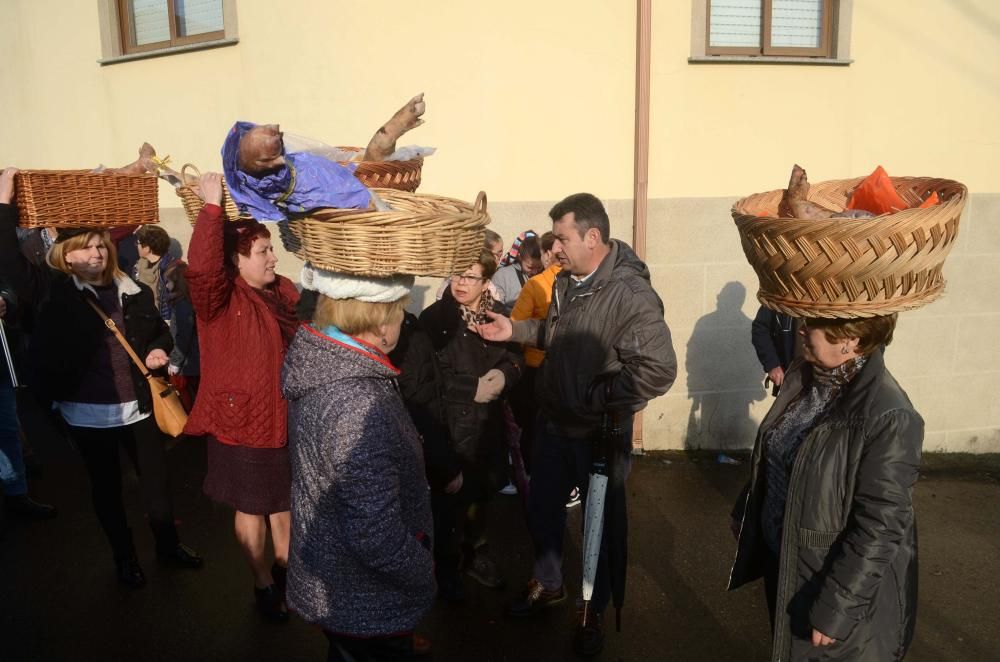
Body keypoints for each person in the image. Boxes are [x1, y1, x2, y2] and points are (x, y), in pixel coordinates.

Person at [476, 193, 677, 656]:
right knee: (542, 509)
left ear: (592, 237)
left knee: (599, 527)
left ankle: (592, 608)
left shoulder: (630, 294)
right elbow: (559, 336)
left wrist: (601, 400)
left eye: (562, 239)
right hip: (553, 425)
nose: (554, 249)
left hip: (597, 435)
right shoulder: (568, 280)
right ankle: (549, 585)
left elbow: (658, 368)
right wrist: (518, 331)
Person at [0, 167, 200, 586]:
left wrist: (157, 349)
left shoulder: (132, 289)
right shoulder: (56, 295)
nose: (97, 254)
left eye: (101, 246)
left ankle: (167, 545)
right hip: (88, 416)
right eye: (86, 248)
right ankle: (125, 558)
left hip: (139, 410)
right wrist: (4, 205)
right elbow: (8, 260)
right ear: (65, 254)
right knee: (107, 492)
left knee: (158, 486)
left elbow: (157, 331)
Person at [729, 314, 921, 661]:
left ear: (853, 340)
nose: (801, 327)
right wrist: (749, 508)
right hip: (788, 560)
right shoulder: (805, 378)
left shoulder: (889, 415)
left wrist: (838, 607)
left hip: (830, 583)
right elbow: (781, 452)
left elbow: (880, 526)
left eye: (814, 323)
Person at [282, 267, 434, 661]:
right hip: (364, 596)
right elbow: (375, 533)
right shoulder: (358, 400)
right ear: (381, 323)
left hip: (339, 579)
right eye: (401, 312)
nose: (404, 319)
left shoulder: (328, 361)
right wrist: (423, 571)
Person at [184, 172, 300, 622]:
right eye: (263, 251)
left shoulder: (282, 292)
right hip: (242, 422)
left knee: (284, 506)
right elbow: (203, 266)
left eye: (271, 248)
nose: (273, 257)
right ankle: (263, 582)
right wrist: (213, 206)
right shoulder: (218, 298)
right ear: (236, 260)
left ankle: (286, 572)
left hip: (285, 417)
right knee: (252, 507)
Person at [420, 252, 524, 594]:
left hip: (487, 428)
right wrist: (472, 388)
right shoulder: (435, 319)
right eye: (456, 275)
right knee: (448, 503)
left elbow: (516, 359)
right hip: (450, 426)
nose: (461, 283)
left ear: (486, 282)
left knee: (481, 495)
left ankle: (475, 553)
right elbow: (427, 378)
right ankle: (446, 569)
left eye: (470, 277)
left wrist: (504, 376)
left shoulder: (500, 314)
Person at [508, 231, 560, 476]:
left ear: (548, 254)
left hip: (536, 368)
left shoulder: (536, 284)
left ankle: (532, 474)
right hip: (568, 369)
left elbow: (516, 325)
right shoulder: (583, 283)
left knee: (531, 426)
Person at [164, 260, 200, 410]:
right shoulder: (190, 300)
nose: (166, 285)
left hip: (188, 364)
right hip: (193, 362)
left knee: (189, 402)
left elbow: (183, 336)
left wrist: (175, 362)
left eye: (168, 281)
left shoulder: (182, 304)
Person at [751, 305, 797, 396]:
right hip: (789, 375)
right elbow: (760, 329)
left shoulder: (827, 295)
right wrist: (772, 365)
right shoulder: (778, 294)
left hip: (823, 376)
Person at [492, 233, 543, 315]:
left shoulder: (544, 273)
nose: (535, 272)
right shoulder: (503, 276)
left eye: (539, 267)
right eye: (530, 267)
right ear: (520, 257)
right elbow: (495, 308)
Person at [133, 225, 176, 321]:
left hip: (163, 324)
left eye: (138, 243)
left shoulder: (170, 270)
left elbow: (175, 306)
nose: (136, 245)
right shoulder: (138, 267)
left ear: (147, 248)